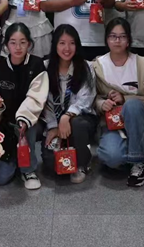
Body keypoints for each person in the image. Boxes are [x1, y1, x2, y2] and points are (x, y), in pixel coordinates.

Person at [0, 23, 48, 189]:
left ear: (29, 44)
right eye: (13, 42)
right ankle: (10, 160)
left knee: (27, 126)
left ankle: (28, 170)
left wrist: (23, 119)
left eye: (22, 42)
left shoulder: (37, 65)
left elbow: (36, 97)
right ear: (6, 45)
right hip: (4, 125)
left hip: (30, 123)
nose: (18, 47)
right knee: (0, 178)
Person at [93, 18, 144, 187]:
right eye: (113, 36)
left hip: (141, 121)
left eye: (122, 36)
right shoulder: (97, 65)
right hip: (113, 124)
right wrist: (101, 104)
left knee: (132, 105)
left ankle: (138, 162)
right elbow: (92, 98)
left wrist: (125, 98)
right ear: (106, 39)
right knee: (112, 158)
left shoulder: (142, 63)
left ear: (128, 40)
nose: (117, 40)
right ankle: (127, 148)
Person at [41, 25, 98, 183]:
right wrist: (53, 126)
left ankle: (82, 163)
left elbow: (86, 98)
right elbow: (43, 101)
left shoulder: (86, 67)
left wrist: (67, 116)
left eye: (72, 43)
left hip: (81, 118)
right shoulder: (45, 67)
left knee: (78, 124)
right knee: (52, 166)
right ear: (55, 45)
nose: (67, 48)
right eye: (62, 43)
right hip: (53, 120)